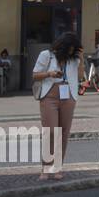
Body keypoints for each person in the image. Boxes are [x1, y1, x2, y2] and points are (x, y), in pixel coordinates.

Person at [31, 32, 83, 180]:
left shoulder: (73, 59)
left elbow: (79, 77)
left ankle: (58, 167)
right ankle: (46, 167)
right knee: (51, 131)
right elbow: (35, 75)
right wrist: (50, 74)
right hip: (49, 96)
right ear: (62, 47)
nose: (70, 52)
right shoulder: (46, 55)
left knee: (64, 133)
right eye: (69, 49)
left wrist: (82, 59)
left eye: (73, 50)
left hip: (69, 96)